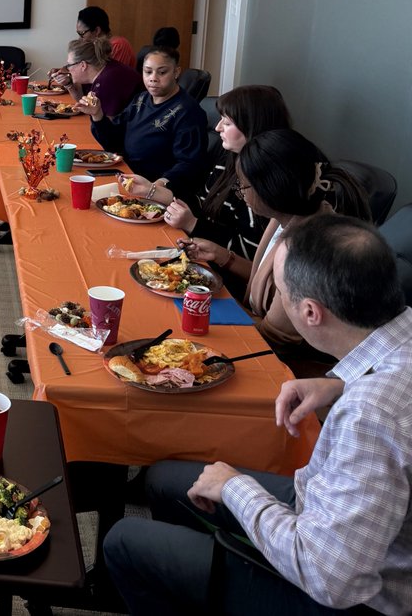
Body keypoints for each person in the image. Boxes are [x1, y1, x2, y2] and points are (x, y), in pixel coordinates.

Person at [104, 214, 412, 616]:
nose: (279, 299)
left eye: (282, 293)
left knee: (123, 541)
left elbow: (329, 578)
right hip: (335, 517)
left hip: (346, 594)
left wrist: (235, 488)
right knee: (164, 478)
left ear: (310, 313)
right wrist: (339, 384)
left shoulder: (370, 416)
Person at [182, 128, 370, 356]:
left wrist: (214, 309)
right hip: (257, 329)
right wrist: (221, 255)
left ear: (270, 191)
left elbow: (275, 339)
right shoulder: (286, 217)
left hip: (286, 361)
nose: (240, 194)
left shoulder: (306, 249)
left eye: (243, 187)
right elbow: (270, 282)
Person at [120, 84, 292, 262]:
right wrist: (150, 190)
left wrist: (192, 224)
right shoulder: (228, 154)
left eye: (227, 122)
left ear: (252, 127)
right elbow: (203, 202)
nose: (217, 128)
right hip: (200, 247)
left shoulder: (264, 182)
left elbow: (249, 256)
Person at [76, 46, 207, 206]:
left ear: (176, 72)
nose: (153, 78)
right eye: (148, 72)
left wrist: (158, 185)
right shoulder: (141, 99)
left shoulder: (188, 112)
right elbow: (113, 141)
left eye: (162, 72)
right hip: (126, 176)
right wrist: (97, 114)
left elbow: (189, 163)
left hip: (155, 191)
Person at [48, 37, 140, 119]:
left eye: (69, 65)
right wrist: (69, 84)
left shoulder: (107, 80)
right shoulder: (102, 69)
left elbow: (109, 129)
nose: (67, 69)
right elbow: (84, 103)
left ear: (83, 65)